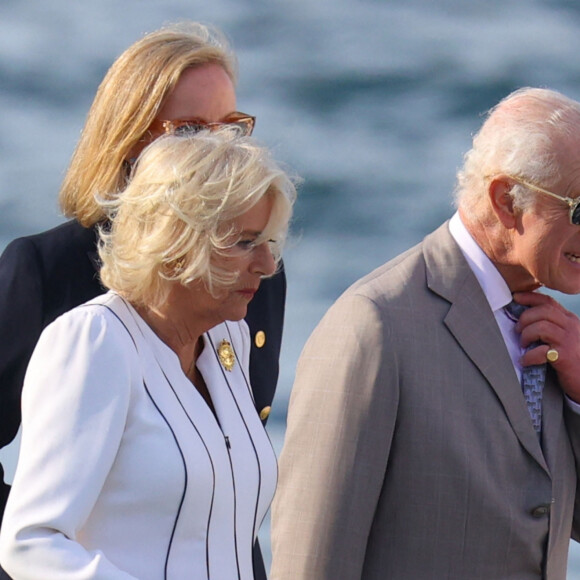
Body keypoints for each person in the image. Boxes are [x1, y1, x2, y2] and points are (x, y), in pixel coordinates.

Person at [0, 21, 285, 578]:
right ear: (130, 144)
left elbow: (217, 479)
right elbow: (36, 534)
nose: (218, 150)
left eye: (232, 128)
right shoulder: (48, 278)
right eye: (191, 131)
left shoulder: (248, 286)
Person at [270, 87, 580, 579]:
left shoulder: (558, 337)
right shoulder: (373, 327)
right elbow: (310, 564)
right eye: (578, 209)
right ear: (506, 201)